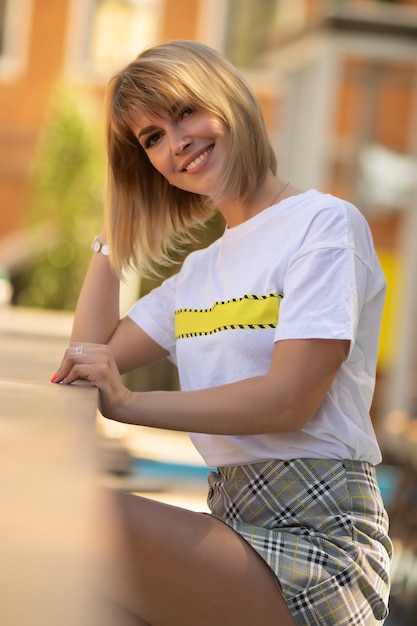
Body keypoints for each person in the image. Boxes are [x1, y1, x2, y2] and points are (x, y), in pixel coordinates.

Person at [52, 40, 393, 626]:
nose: (175, 141)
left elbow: (289, 401)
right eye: (151, 138)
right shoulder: (198, 274)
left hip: (322, 541)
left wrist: (132, 404)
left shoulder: (323, 224)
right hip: (233, 522)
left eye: (185, 111)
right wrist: (115, 225)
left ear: (228, 99)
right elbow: (84, 365)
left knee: (60, 519)